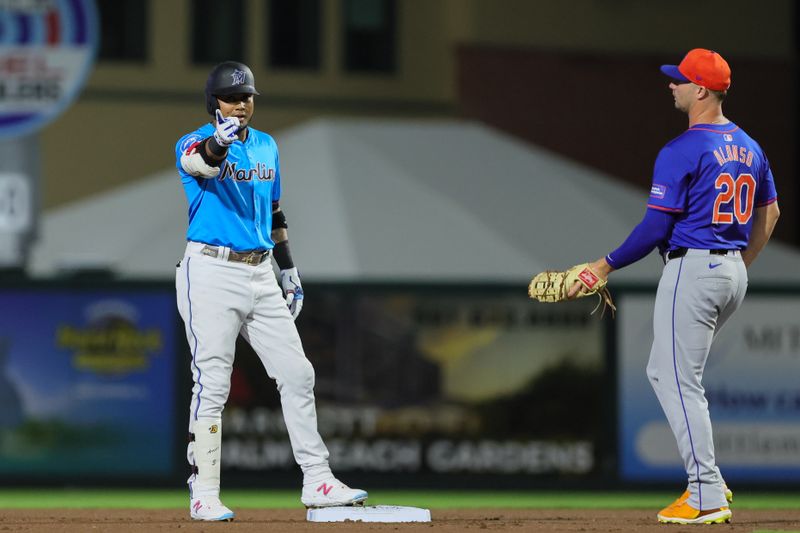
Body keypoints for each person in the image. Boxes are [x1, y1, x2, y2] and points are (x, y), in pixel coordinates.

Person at [570, 49, 779, 524]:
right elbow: (771, 215)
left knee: (677, 379)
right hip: (732, 272)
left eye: (680, 80)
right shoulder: (749, 145)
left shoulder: (682, 149)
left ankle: (704, 490)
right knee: (669, 374)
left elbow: (653, 230)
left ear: (701, 90)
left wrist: (603, 266)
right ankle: (710, 478)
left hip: (694, 268)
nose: (672, 85)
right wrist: (738, 266)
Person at [174, 61, 368, 521]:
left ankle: (318, 479)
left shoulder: (266, 146)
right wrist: (218, 141)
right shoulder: (193, 139)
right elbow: (198, 161)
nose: (241, 104)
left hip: (260, 271)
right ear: (213, 102)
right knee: (213, 381)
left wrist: (288, 268)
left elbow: (275, 214)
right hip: (210, 271)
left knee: (298, 373)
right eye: (231, 96)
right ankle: (204, 489)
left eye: (247, 96)